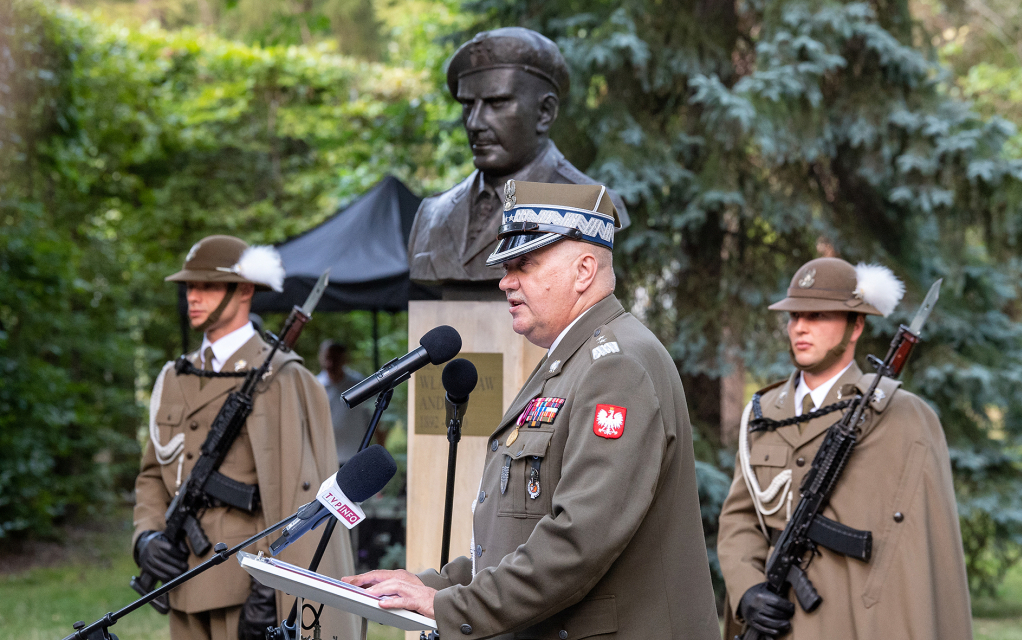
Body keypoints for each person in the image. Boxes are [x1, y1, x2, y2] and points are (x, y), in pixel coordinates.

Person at [346, 181, 720, 639]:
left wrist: (452, 605)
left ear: (584, 270)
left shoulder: (618, 365)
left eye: (524, 263)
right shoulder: (571, 359)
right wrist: (434, 585)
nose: (505, 280)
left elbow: (577, 541)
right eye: (506, 266)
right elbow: (522, 532)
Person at [717, 257, 972, 640]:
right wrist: (747, 589)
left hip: (855, 625)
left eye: (818, 315)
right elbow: (740, 520)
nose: (800, 327)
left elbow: (918, 550)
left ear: (857, 326)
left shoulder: (901, 417)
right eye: (794, 316)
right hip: (774, 624)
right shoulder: (763, 414)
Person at [132, 235, 359, 640]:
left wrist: (273, 588)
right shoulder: (174, 377)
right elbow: (154, 473)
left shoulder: (283, 379)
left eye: (208, 286)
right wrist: (146, 537)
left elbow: (301, 496)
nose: (193, 297)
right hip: (181, 581)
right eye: (189, 287)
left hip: (245, 587)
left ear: (245, 290)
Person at [407, 27, 629, 286]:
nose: (475, 123)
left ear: (545, 112)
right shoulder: (431, 213)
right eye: (468, 105)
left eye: (496, 102)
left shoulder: (593, 207)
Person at [317, 339, 375, 465]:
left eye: (335, 359)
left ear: (344, 359)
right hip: (325, 458)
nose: (330, 364)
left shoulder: (359, 384)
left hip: (355, 456)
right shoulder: (315, 386)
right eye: (327, 358)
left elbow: (375, 419)